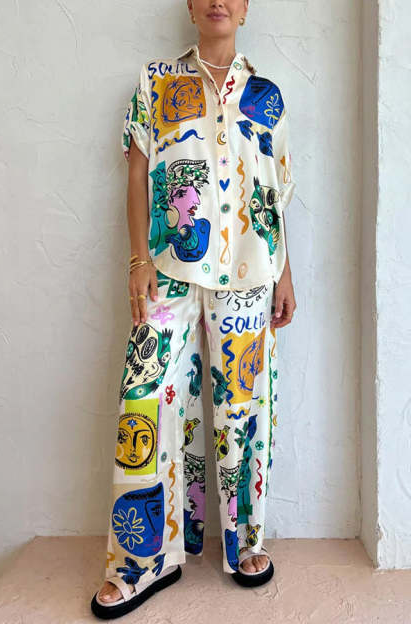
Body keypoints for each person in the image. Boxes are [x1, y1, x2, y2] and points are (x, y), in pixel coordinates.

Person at [91, 0, 296, 618]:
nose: (217, 1)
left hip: (250, 275)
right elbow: (136, 173)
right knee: (145, 400)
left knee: (243, 412)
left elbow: (275, 193)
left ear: (245, 7)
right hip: (168, 271)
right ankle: (140, 561)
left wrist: (285, 274)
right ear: (189, 4)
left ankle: (245, 543)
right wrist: (137, 259)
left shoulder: (266, 96)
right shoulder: (157, 81)